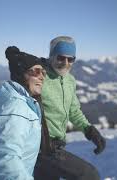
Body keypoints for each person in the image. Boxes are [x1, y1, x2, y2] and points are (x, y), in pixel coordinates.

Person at [34, 36, 106, 180]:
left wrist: (89, 130)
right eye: (61, 57)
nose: (66, 63)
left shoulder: (69, 80)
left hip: (56, 145)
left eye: (70, 59)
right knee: (89, 176)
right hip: (41, 147)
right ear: (51, 56)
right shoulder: (39, 77)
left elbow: (73, 110)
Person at [0, 46, 46, 180]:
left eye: (43, 72)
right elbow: (9, 158)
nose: (42, 77)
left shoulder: (21, 103)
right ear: (21, 74)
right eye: (36, 71)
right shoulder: (16, 107)